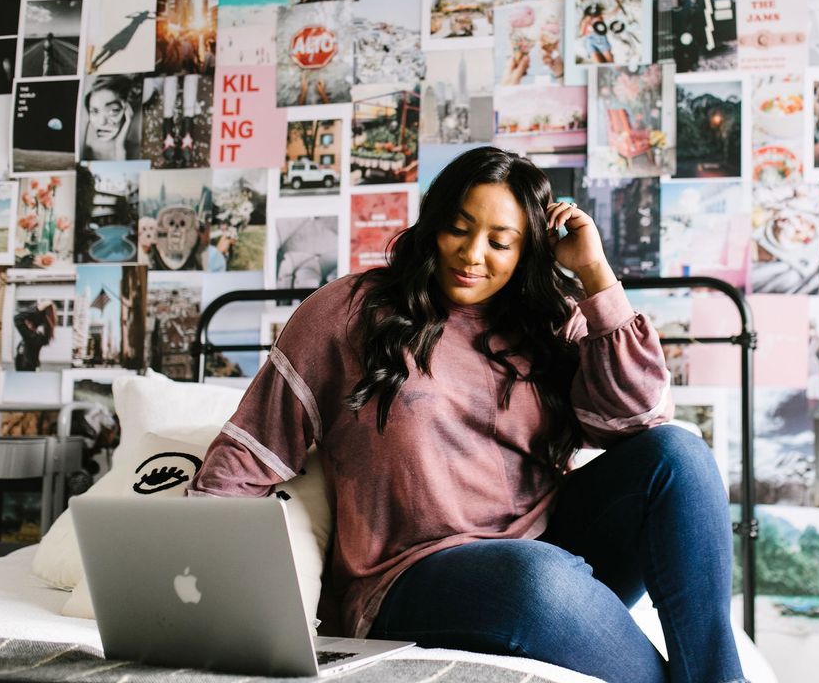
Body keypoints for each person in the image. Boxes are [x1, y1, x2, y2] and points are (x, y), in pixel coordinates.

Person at [188, 147, 745, 683]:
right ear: (432, 223)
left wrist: (596, 276)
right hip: (413, 578)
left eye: (500, 242)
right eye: (459, 228)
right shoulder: (347, 313)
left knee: (680, 454)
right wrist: (192, 565)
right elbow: (249, 454)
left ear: (528, 251)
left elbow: (640, 418)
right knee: (538, 577)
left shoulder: (549, 322)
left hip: (549, 551)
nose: (472, 254)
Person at [80, 76, 138, 160]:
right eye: (95, 111)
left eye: (113, 110)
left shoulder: (138, 152)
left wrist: (120, 147)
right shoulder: (85, 152)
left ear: (128, 112)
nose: (101, 122)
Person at [13, 301, 56, 372]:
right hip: (26, 370)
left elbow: (17, 318)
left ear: (31, 322)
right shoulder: (34, 336)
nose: (25, 323)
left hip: (26, 371)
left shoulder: (32, 337)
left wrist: (37, 310)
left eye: (27, 321)